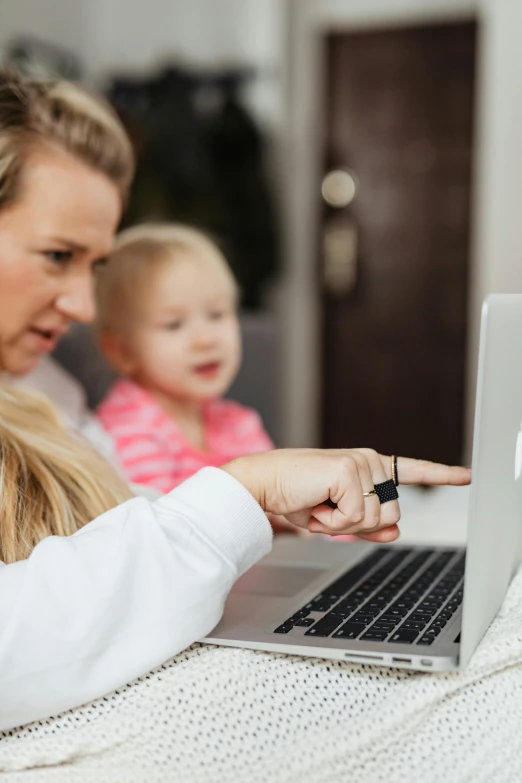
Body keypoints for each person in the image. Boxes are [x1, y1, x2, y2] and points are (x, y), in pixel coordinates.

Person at [0, 68, 470, 737]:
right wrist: (241, 487)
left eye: (94, 266)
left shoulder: (51, 388)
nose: (80, 306)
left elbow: (124, 521)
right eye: (56, 254)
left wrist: (263, 508)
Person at [95, 223, 274, 494]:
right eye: (174, 324)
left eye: (216, 314)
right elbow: (164, 527)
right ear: (122, 351)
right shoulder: (128, 431)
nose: (206, 339)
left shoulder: (238, 423)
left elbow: (285, 500)